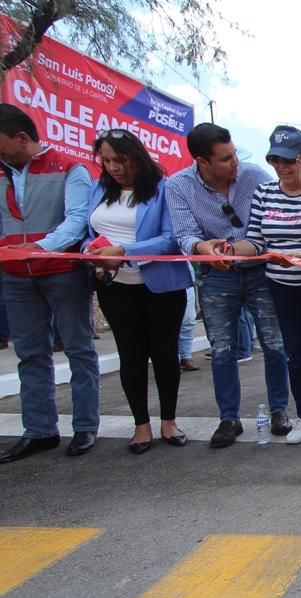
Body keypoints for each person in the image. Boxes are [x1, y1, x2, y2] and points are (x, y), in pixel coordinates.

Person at [168, 122, 292, 448]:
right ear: (201, 162)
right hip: (216, 276)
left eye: (234, 154)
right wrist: (203, 249)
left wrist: (244, 250)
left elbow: (274, 220)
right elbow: (184, 235)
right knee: (222, 350)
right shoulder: (178, 186)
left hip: (259, 271)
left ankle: (279, 410)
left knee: (274, 344)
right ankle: (229, 418)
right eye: (225, 159)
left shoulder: (255, 176)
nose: (234, 163)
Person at [0, 104, 99, 463]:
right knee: (30, 356)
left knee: (78, 349)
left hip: (62, 272)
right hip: (15, 278)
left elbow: (76, 221)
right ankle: (39, 430)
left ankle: (86, 427)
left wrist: (39, 248)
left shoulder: (70, 168)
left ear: (21, 138)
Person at [84, 129, 193, 454]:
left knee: (164, 355)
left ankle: (169, 421)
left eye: (120, 160)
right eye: (106, 160)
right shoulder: (99, 189)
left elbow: (170, 238)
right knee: (130, 356)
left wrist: (124, 251)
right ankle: (141, 425)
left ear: (137, 158)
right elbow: (86, 231)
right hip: (115, 287)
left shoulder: (163, 189)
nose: (114, 167)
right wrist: (92, 252)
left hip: (161, 287)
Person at [230, 125, 301, 446]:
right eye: (276, 160)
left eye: (289, 160)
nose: (283, 167)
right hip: (280, 286)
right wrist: (231, 250)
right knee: (295, 353)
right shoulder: (265, 193)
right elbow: (256, 240)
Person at [178, 269, 200, 371]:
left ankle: (185, 356)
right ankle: (171, 360)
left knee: (188, 319)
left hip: (185, 276)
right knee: (166, 325)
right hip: (164, 279)